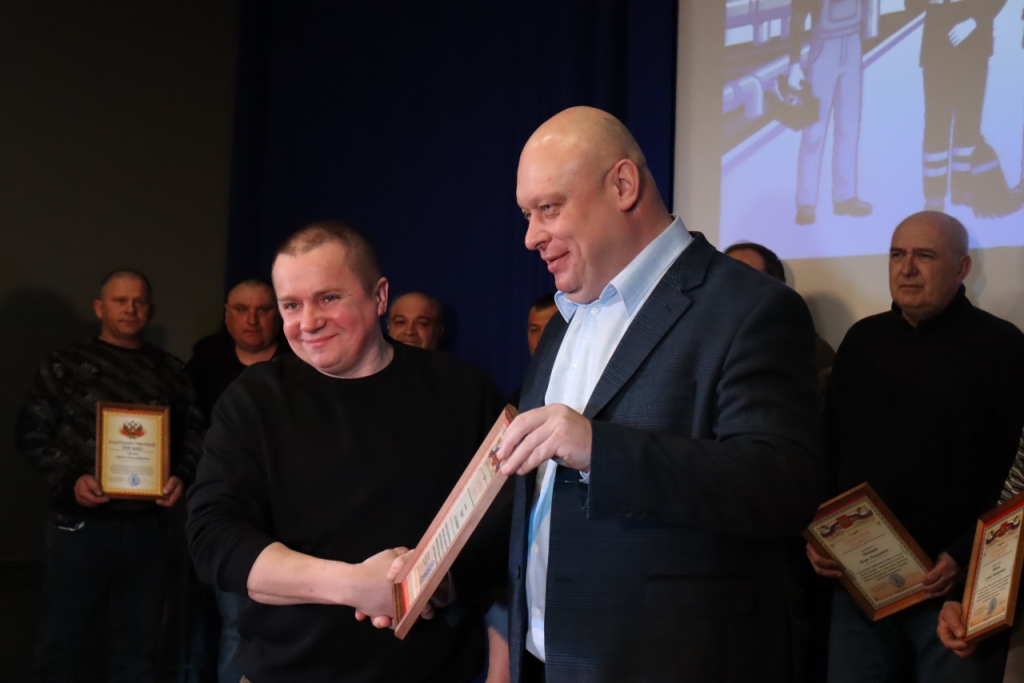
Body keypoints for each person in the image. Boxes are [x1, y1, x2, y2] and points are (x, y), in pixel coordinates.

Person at [494, 106, 822, 681]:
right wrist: (437, 575)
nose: (530, 236)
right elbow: (540, 503)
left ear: (623, 185)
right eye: (527, 214)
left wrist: (600, 449)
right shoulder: (563, 321)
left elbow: (781, 486)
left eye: (549, 208)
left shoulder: (752, 309)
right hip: (548, 662)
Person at [186, 221, 510, 682]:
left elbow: (505, 532)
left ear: (379, 297)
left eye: (328, 298)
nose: (308, 322)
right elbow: (213, 539)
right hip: (287, 673)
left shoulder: (463, 391)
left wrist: (442, 585)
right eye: (291, 305)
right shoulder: (254, 399)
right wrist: (354, 585)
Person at [810, 211, 1024, 682]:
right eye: (897, 255)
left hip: (952, 592)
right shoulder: (862, 340)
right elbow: (827, 449)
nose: (906, 268)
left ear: (962, 268)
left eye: (924, 256)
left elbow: (1014, 476)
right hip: (859, 589)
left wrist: (964, 556)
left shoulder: (1002, 346)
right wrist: (818, 532)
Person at [16, 269, 204, 682]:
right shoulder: (65, 365)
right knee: (59, 644)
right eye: (120, 301)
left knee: (139, 649)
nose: (130, 309)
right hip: (78, 526)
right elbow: (31, 431)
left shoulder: (172, 370)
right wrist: (70, 480)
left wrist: (181, 476)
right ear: (100, 308)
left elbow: (194, 434)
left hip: (147, 529)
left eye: (139, 302)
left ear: (150, 309)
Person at [184, 278, 290, 683]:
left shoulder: (301, 363)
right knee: (233, 626)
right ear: (226, 316)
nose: (252, 319)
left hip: (291, 516)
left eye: (263, 309)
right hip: (229, 517)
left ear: (277, 316)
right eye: (242, 310)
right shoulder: (202, 367)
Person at [908, 0, 1008, 211]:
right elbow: (911, 4)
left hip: (975, 45)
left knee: (969, 120)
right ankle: (934, 193)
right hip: (937, 46)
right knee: (937, 121)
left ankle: (963, 187)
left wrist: (975, 21)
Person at [788, 0, 873, 225]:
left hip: (852, 43)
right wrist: (794, 64)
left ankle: (845, 195)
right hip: (823, 47)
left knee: (849, 125)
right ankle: (806, 201)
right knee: (814, 129)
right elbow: (798, 17)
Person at [725, 241, 837, 384]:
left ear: (777, 288)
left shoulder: (810, 350)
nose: (731, 288)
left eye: (746, 279)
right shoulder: (704, 343)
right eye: (725, 278)